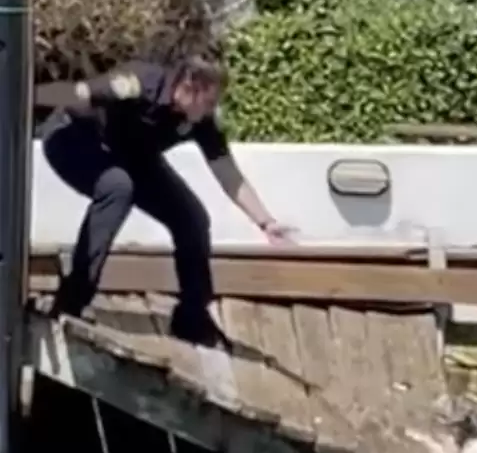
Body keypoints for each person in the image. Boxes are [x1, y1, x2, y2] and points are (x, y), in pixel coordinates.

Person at [34, 50, 292, 350]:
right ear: (190, 86)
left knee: (192, 220)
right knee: (118, 187)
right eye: (210, 101)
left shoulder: (200, 120)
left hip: (131, 156)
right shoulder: (138, 83)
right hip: (72, 138)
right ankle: (71, 301)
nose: (213, 109)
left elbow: (227, 172)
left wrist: (265, 222)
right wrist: (24, 96)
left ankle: (192, 319)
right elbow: (76, 93)